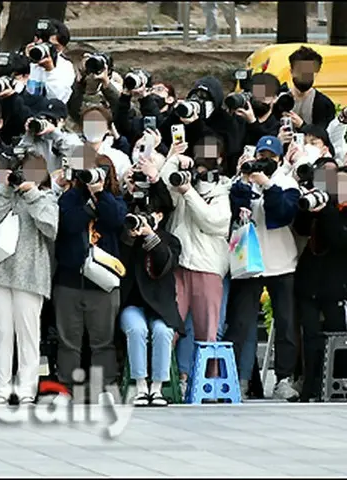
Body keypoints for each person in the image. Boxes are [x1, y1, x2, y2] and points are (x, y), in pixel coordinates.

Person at [225, 136, 301, 401]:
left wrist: (267, 184)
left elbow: (281, 215)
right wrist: (244, 179)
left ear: (279, 159)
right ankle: (235, 379)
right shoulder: (243, 182)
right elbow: (235, 209)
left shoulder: (287, 183)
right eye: (261, 155)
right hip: (249, 265)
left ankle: (283, 379)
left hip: (281, 263)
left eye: (270, 157)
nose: (264, 161)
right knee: (241, 322)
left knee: (286, 322)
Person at [0, 152, 59, 405]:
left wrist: (32, 193)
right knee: (0, 332)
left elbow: (51, 227)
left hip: (31, 274)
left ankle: (27, 388)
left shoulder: (47, 197)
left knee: (28, 334)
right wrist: (5, 188)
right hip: (0, 271)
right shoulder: (5, 195)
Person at [160, 134, 232, 394]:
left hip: (207, 266)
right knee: (169, 326)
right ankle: (163, 382)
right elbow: (164, 186)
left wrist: (189, 192)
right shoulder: (184, 181)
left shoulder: (223, 188)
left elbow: (214, 222)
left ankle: (208, 386)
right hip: (179, 264)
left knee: (207, 331)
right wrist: (174, 158)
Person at [53, 154, 127, 397]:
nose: (91, 177)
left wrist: (100, 193)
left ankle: (104, 387)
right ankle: (66, 387)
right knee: (68, 342)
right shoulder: (70, 197)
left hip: (103, 281)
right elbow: (68, 224)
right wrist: (87, 202)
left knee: (103, 341)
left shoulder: (114, 198)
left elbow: (116, 219)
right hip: (70, 280)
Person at [293, 164, 347, 402]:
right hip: (309, 282)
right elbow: (300, 229)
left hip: (337, 286)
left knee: (338, 335)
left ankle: (338, 385)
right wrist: (309, 208)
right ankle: (310, 387)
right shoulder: (321, 203)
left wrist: (327, 212)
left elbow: (340, 241)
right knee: (310, 337)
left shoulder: (338, 212)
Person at [119, 208, 183, 407]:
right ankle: (140, 387)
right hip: (132, 304)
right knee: (137, 329)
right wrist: (130, 238)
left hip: (161, 307)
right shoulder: (127, 239)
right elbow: (121, 263)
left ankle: (156, 387)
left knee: (163, 331)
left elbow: (165, 263)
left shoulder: (170, 241)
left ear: (160, 216)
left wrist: (151, 236)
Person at [17, 99, 83, 173]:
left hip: (59, 181)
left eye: (51, 120)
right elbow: (19, 156)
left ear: (62, 121)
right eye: (44, 118)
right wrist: (29, 133)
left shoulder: (69, 138)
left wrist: (54, 132)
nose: (47, 122)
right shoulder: (36, 139)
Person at [25, 18, 75, 104]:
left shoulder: (65, 67)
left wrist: (50, 70)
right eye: (42, 42)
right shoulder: (26, 61)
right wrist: (24, 63)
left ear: (62, 48)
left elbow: (57, 98)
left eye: (52, 46)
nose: (45, 47)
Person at [285, 46, 335, 131]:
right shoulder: (280, 99)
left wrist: (301, 125)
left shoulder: (324, 104)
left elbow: (324, 136)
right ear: (292, 72)